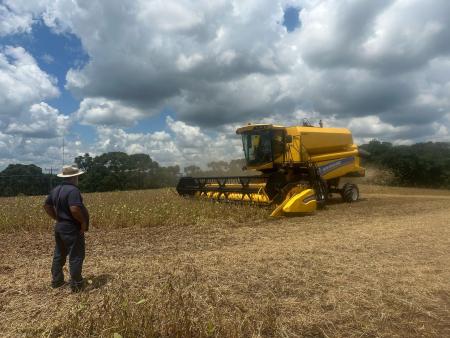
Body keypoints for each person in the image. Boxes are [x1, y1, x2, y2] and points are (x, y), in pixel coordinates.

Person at [43, 165, 90, 292]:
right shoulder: (73, 190)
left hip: (60, 227)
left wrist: (57, 218)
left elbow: (46, 206)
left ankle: (57, 281)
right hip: (72, 228)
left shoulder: (56, 189)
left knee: (59, 254)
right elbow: (74, 209)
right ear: (74, 177)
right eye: (77, 176)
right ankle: (77, 284)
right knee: (76, 255)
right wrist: (83, 223)